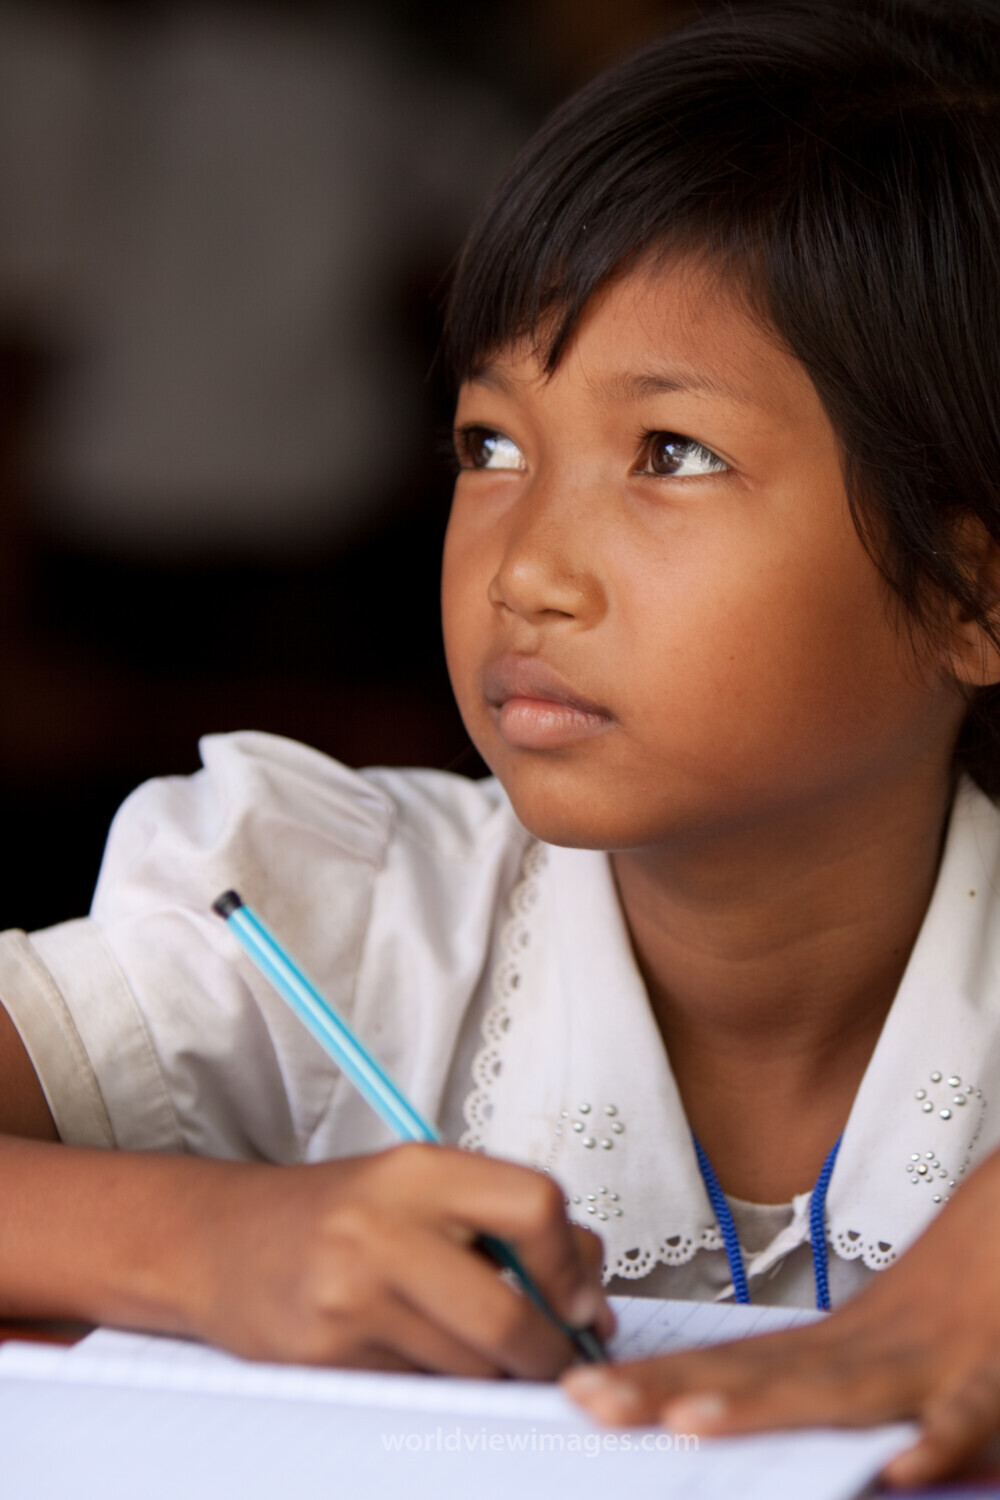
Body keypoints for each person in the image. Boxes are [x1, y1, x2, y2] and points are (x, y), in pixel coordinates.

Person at [1, 0, 1000, 1483]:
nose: (527, 569)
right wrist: (212, 1240)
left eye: (673, 454)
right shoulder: (333, 921)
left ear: (969, 592)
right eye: (492, 446)